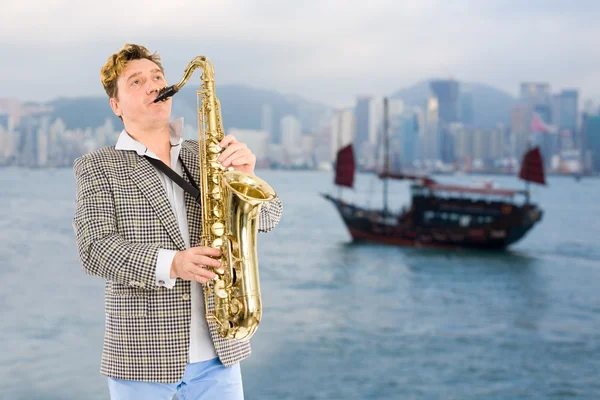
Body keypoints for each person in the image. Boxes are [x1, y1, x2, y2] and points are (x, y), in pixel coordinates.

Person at [72, 43, 283, 399]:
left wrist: (247, 176)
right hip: (142, 361)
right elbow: (95, 250)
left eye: (157, 77)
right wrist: (173, 263)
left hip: (220, 356)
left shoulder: (205, 154)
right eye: (136, 82)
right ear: (116, 105)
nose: (153, 85)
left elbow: (270, 218)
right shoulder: (97, 165)